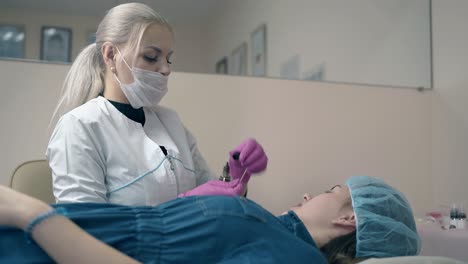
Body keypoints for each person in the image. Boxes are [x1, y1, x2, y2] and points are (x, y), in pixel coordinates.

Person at [46, 2, 268, 205]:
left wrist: (236, 180)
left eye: (168, 58)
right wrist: (183, 206)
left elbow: (215, 201)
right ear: (111, 54)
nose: (166, 69)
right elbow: (84, 230)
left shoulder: (171, 123)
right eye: (152, 57)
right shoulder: (80, 127)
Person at [0, 176, 420, 264]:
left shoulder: (294, 260)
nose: (309, 193)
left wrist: (31, 213)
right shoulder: (273, 231)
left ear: (348, 219)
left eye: (330, 192)